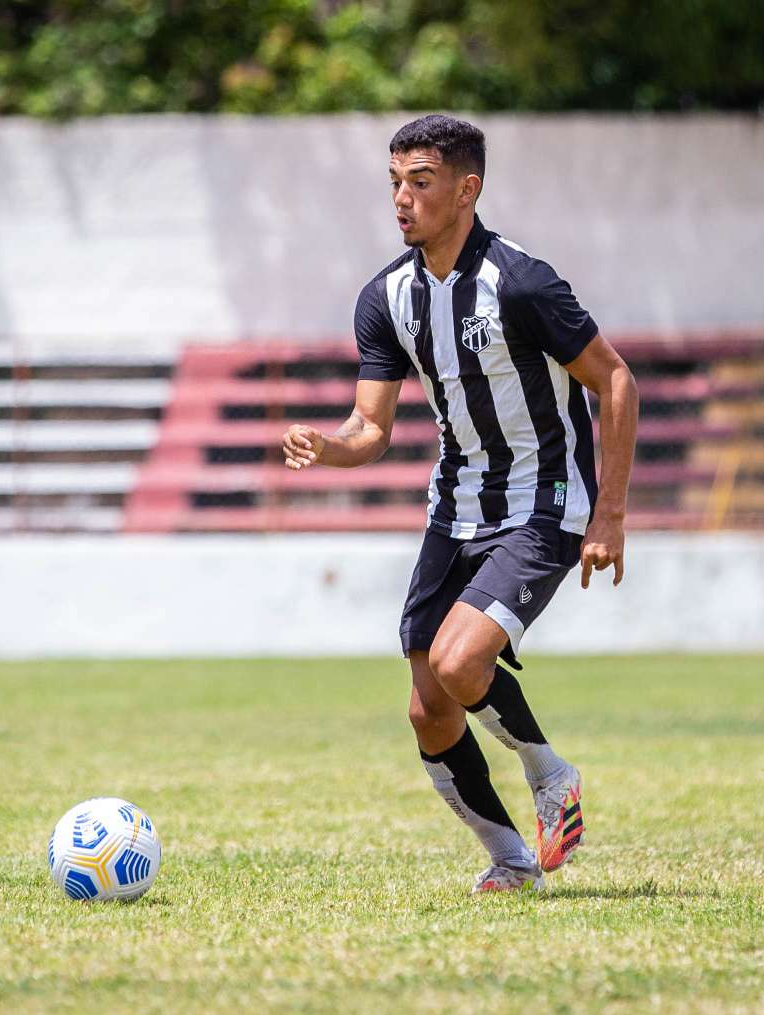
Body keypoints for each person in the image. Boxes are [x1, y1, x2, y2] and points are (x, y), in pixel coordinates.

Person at [281, 114, 637, 894]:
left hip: (542, 505)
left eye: (422, 182)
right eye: (395, 184)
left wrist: (608, 516)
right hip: (455, 510)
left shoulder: (523, 281)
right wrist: (328, 445)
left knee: (458, 658)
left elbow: (615, 380)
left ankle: (551, 775)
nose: (402, 200)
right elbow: (370, 425)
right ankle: (511, 857)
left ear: (467, 188)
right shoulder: (388, 297)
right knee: (428, 707)